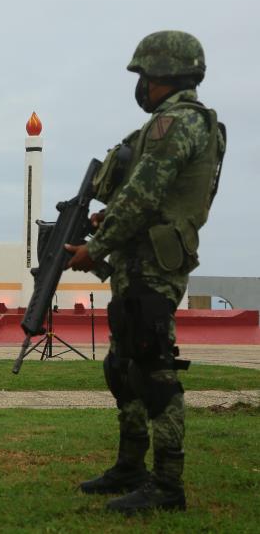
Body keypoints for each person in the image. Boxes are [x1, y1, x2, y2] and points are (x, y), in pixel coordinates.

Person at [64, 30, 226, 515]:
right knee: (124, 365)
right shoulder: (175, 123)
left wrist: (97, 246)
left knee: (153, 367)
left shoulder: (176, 123)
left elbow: (145, 197)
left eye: (145, 77)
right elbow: (137, 197)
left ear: (166, 75)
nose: (141, 86)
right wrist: (104, 225)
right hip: (139, 260)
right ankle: (130, 466)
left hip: (155, 264)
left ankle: (167, 486)